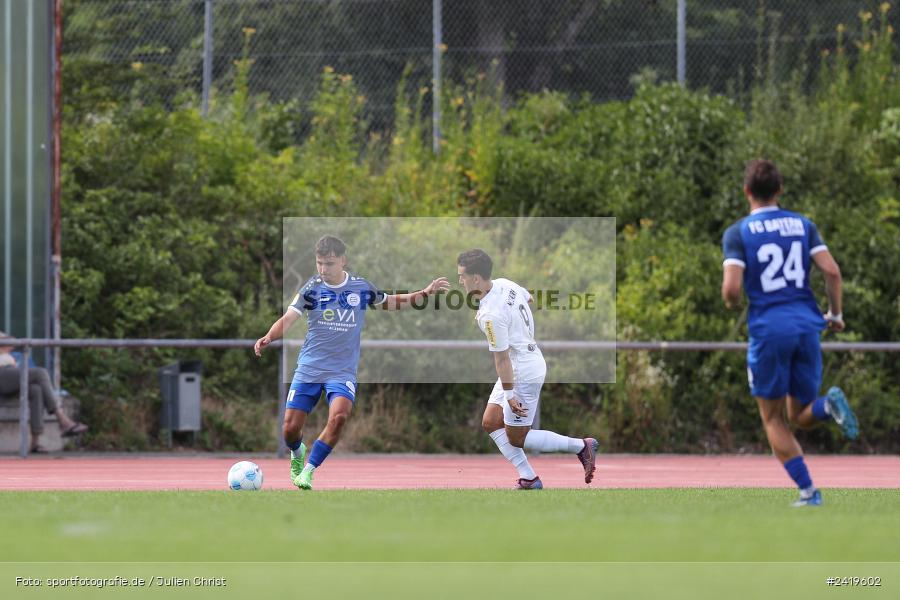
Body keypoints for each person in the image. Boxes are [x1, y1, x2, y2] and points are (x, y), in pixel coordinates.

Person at [255, 235, 449, 490]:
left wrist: (425, 293)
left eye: (330, 263)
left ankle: (308, 472)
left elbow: (392, 302)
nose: (323, 269)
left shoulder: (361, 288)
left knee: (339, 417)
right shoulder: (311, 289)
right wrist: (269, 336)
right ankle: (297, 450)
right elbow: (289, 318)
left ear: (343, 261)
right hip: (310, 367)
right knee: (290, 430)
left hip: (341, 370)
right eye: (319, 263)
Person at [721, 159, 858, 507]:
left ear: (747, 191)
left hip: (770, 329)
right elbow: (832, 271)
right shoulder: (802, 225)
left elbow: (732, 291)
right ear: (780, 189)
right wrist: (836, 315)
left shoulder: (738, 233)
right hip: (807, 326)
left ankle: (809, 492)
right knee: (800, 415)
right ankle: (828, 405)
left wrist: (733, 302)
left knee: (772, 419)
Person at [456, 249, 598, 490]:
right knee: (491, 422)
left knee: (517, 438)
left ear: (476, 278)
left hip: (520, 370)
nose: (460, 280)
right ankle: (529, 478)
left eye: (462, 276)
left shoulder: (490, 314)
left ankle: (582, 446)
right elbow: (528, 299)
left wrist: (510, 396)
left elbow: (502, 360)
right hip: (523, 362)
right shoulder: (504, 283)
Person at [0, 332, 88, 453]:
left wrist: (4, 340)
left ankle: (35, 443)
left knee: (36, 390)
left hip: (10, 375)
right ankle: (62, 419)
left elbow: (13, 343)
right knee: (40, 373)